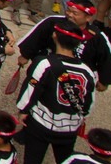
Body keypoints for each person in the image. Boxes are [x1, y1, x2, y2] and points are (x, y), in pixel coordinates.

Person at [16, 19, 97, 164]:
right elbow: (89, 100)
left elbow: (31, 89)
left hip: (42, 122)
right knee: (65, 160)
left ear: (55, 36)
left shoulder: (44, 63)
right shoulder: (87, 71)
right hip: (70, 127)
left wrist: (23, 110)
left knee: (32, 159)